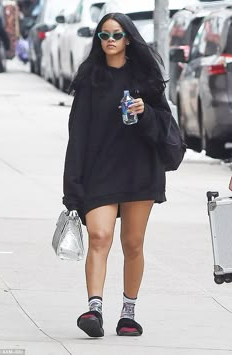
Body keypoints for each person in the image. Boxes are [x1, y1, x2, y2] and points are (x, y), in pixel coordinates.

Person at [63, 12, 175, 338]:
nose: (110, 40)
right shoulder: (89, 81)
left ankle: (128, 313)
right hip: (100, 171)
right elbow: (77, 136)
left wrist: (146, 112)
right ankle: (94, 309)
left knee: (133, 244)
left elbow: (167, 127)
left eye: (116, 34)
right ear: (98, 41)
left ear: (128, 39)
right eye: (103, 35)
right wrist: (72, 188)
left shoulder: (146, 79)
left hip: (140, 171)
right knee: (99, 236)